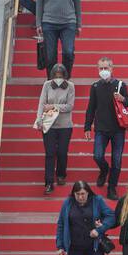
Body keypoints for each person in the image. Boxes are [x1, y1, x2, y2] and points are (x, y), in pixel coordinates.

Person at [83, 56, 128, 199]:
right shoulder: (95, 86)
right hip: (101, 128)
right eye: (101, 68)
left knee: (117, 161)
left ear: (112, 69)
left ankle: (112, 187)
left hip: (118, 129)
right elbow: (91, 108)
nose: (104, 70)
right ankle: (104, 170)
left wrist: (123, 99)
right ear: (97, 69)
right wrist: (87, 127)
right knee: (97, 155)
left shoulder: (120, 85)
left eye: (106, 68)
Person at [35, 0, 82, 78]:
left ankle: (66, 79)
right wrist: (38, 23)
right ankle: (51, 81)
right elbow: (39, 2)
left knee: (68, 52)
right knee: (50, 56)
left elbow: (77, 2)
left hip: (68, 22)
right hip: (48, 22)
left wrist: (79, 23)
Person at [35, 64, 76, 196]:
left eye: (61, 75)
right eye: (56, 75)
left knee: (62, 152)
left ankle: (61, 174)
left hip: (65, 125)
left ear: (65, 76)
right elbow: (42, 103)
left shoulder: (70, 86)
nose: (58, 78)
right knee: (50, 153)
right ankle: (48, 182)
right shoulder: (47, 85)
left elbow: (69, 106)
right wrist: (38, 119)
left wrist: (53, 106)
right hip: (49, 125)